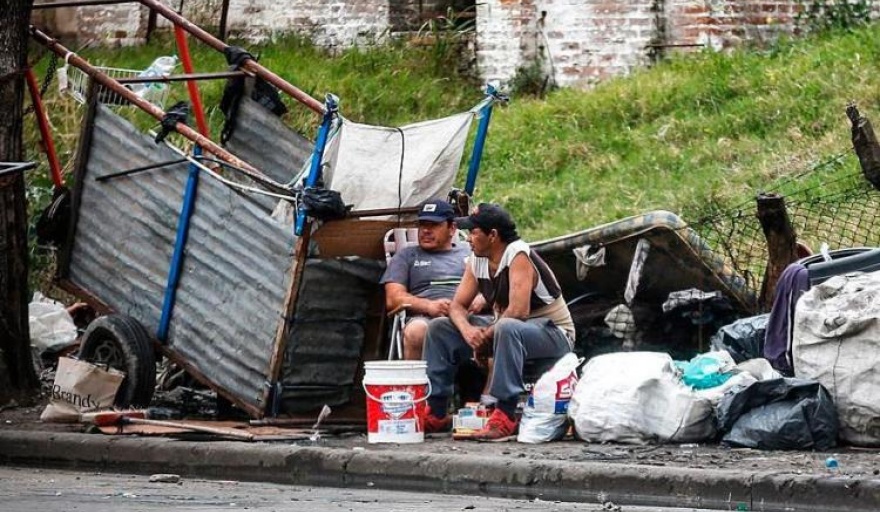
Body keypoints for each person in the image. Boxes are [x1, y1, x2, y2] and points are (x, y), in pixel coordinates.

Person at [422, 203, 575, 440]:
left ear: (493, 235)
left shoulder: (518, 254)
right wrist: (468, 331)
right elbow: (457, 306)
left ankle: (505, 414)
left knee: (507, 326)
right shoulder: (477, 259)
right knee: (439, 328)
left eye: (473, 232)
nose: (468, 238)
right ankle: (436, 409)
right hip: (507, 331)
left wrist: (486, 334)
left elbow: (518, 311)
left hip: (554, 334)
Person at [380, 199, 473, 360]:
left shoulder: (469, 253)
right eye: (422, 225)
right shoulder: (406, 256)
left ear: (452, 228)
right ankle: (416, 384)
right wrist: (429, 306)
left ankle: (494, 385)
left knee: (498, 330)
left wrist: (479, 300)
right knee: (416, 332)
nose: (425, 231)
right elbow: (393, 298)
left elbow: (493, 285)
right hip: (425, 318)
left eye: (434, 225)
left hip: (469, 314)